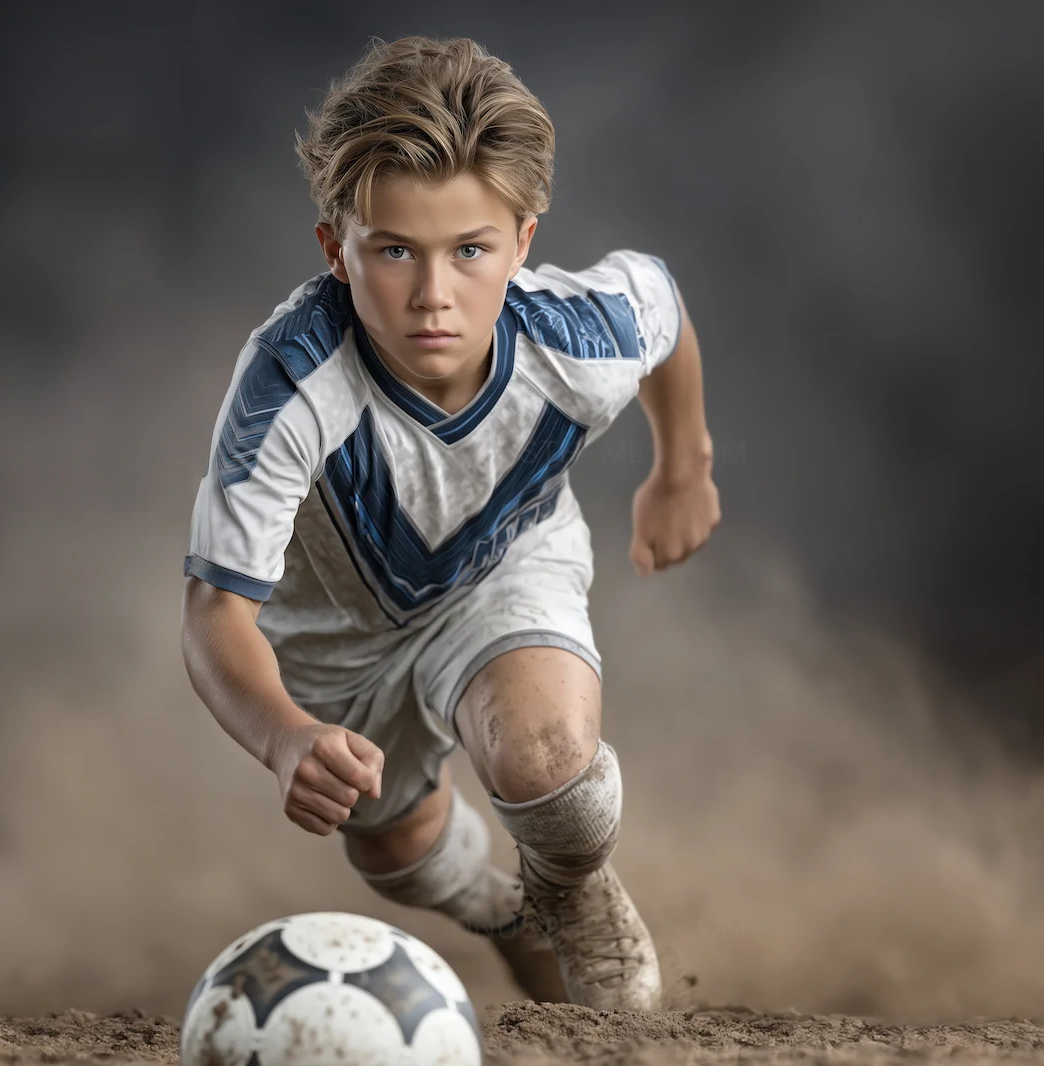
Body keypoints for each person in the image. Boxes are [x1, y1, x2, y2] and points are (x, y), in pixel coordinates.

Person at [179, 35, 719, 1011]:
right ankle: (508, 914)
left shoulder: (576, 338)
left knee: (548, 762)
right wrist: (287, 738)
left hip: (504, 571)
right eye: (394, 250)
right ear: (335, 248)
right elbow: (214, 611)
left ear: (522, 239)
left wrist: (683, 467)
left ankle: (567, 885)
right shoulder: (289, 387)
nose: (433, 295)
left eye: (469, 250)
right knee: (390, 845)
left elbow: (662, 306)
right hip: (333, 647)